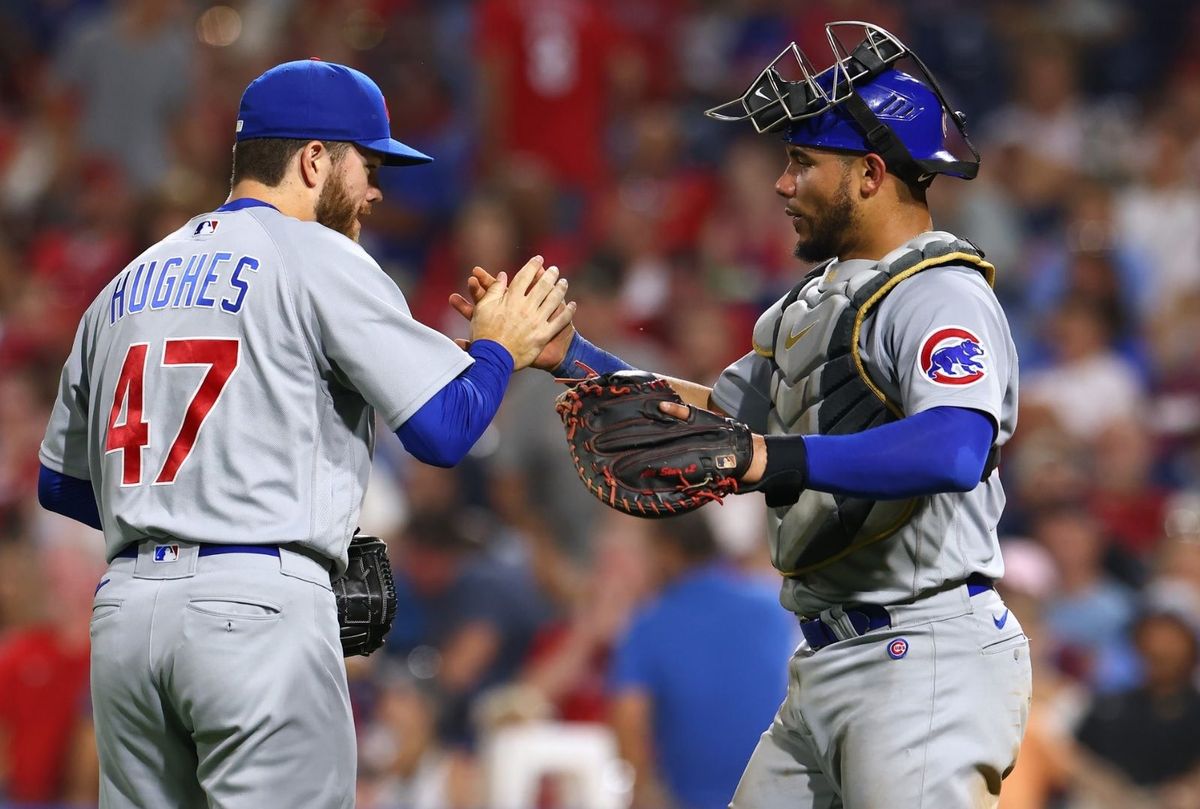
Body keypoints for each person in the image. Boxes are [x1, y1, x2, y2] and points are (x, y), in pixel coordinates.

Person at [454, 21, 1031, 807]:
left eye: (802, 162)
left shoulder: (937, 291)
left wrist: (772, 459)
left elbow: (957, 444)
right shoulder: (810, 305)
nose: (781, 184)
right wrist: (571, 356)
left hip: (924, 649)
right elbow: (713, 417)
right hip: (831, 655)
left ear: (868, 173)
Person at [36, 59, 573, 809]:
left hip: (124, 618)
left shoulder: (125, 282)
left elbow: (61, 483)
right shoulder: (320, 255)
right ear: (315, 159)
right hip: (254, 613)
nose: (378, 189)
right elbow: (445, 431)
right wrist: (497, 351)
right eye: (369, 164)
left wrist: (183, 524)